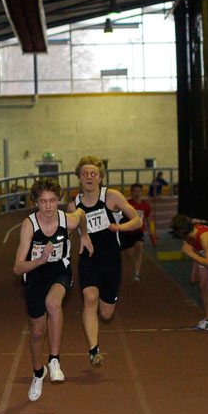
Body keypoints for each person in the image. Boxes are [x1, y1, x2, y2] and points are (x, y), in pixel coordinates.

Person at [13, 180, 90, 401]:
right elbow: (18, 267)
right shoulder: (29, 225)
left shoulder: (68, 220)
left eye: (53, 201)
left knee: (53, 303)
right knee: (37, 332)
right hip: (35, 275)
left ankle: (54, 359)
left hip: (60, 271)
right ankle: (38, 373)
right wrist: (39, 260)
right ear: (36, 203)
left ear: (59, 201)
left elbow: (82, 215)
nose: (48, 207)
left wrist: (85, 236)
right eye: (43, 202)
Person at [68, 157, 141, 367]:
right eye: (85, 174)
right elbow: (66, 233)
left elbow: (137, 220)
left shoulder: (112, 197)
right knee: (89, 297)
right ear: (79, 178)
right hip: (88, 258)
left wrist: (120, 228)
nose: (89, 177)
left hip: (111, 259)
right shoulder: (74, 205)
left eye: (93, 174)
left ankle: (104, 302)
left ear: (100, 177)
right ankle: (94, 350)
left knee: (107, 313)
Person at [171, 214, 208, 333]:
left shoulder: (204, 237)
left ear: (181, 231)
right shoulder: (191, 235)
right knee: (203, 285)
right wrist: (194, 271)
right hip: (206, 254)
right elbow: (197, 250)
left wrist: (190, 254)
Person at [120, 183, 156, 282]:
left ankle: (136, 273)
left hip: (139, 231)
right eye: (135, 191)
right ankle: (124, 265)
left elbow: (147, 218)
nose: (137, 193)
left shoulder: (145, 205)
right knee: (129, 254)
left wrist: (150, 229)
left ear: (142, 192)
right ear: (131, 192)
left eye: (139, 191)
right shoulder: (127, 204)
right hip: (127, 232)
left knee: (139, 247)